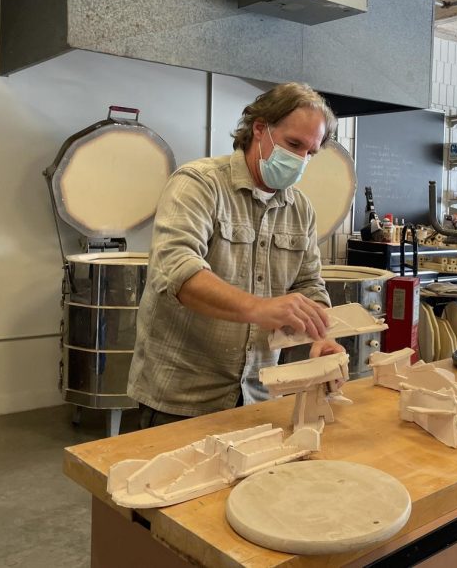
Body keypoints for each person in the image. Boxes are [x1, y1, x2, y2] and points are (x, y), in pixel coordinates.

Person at [128, 82, 345, 428]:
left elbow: (309, 285)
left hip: (259, 394)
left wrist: (322, 338)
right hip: (183, 397)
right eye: (293, 144)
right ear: (260, 129)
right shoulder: (198, 184)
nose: (300, 160)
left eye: (310, 152)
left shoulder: (300, 209)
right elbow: (178, 271)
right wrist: (260, 308)